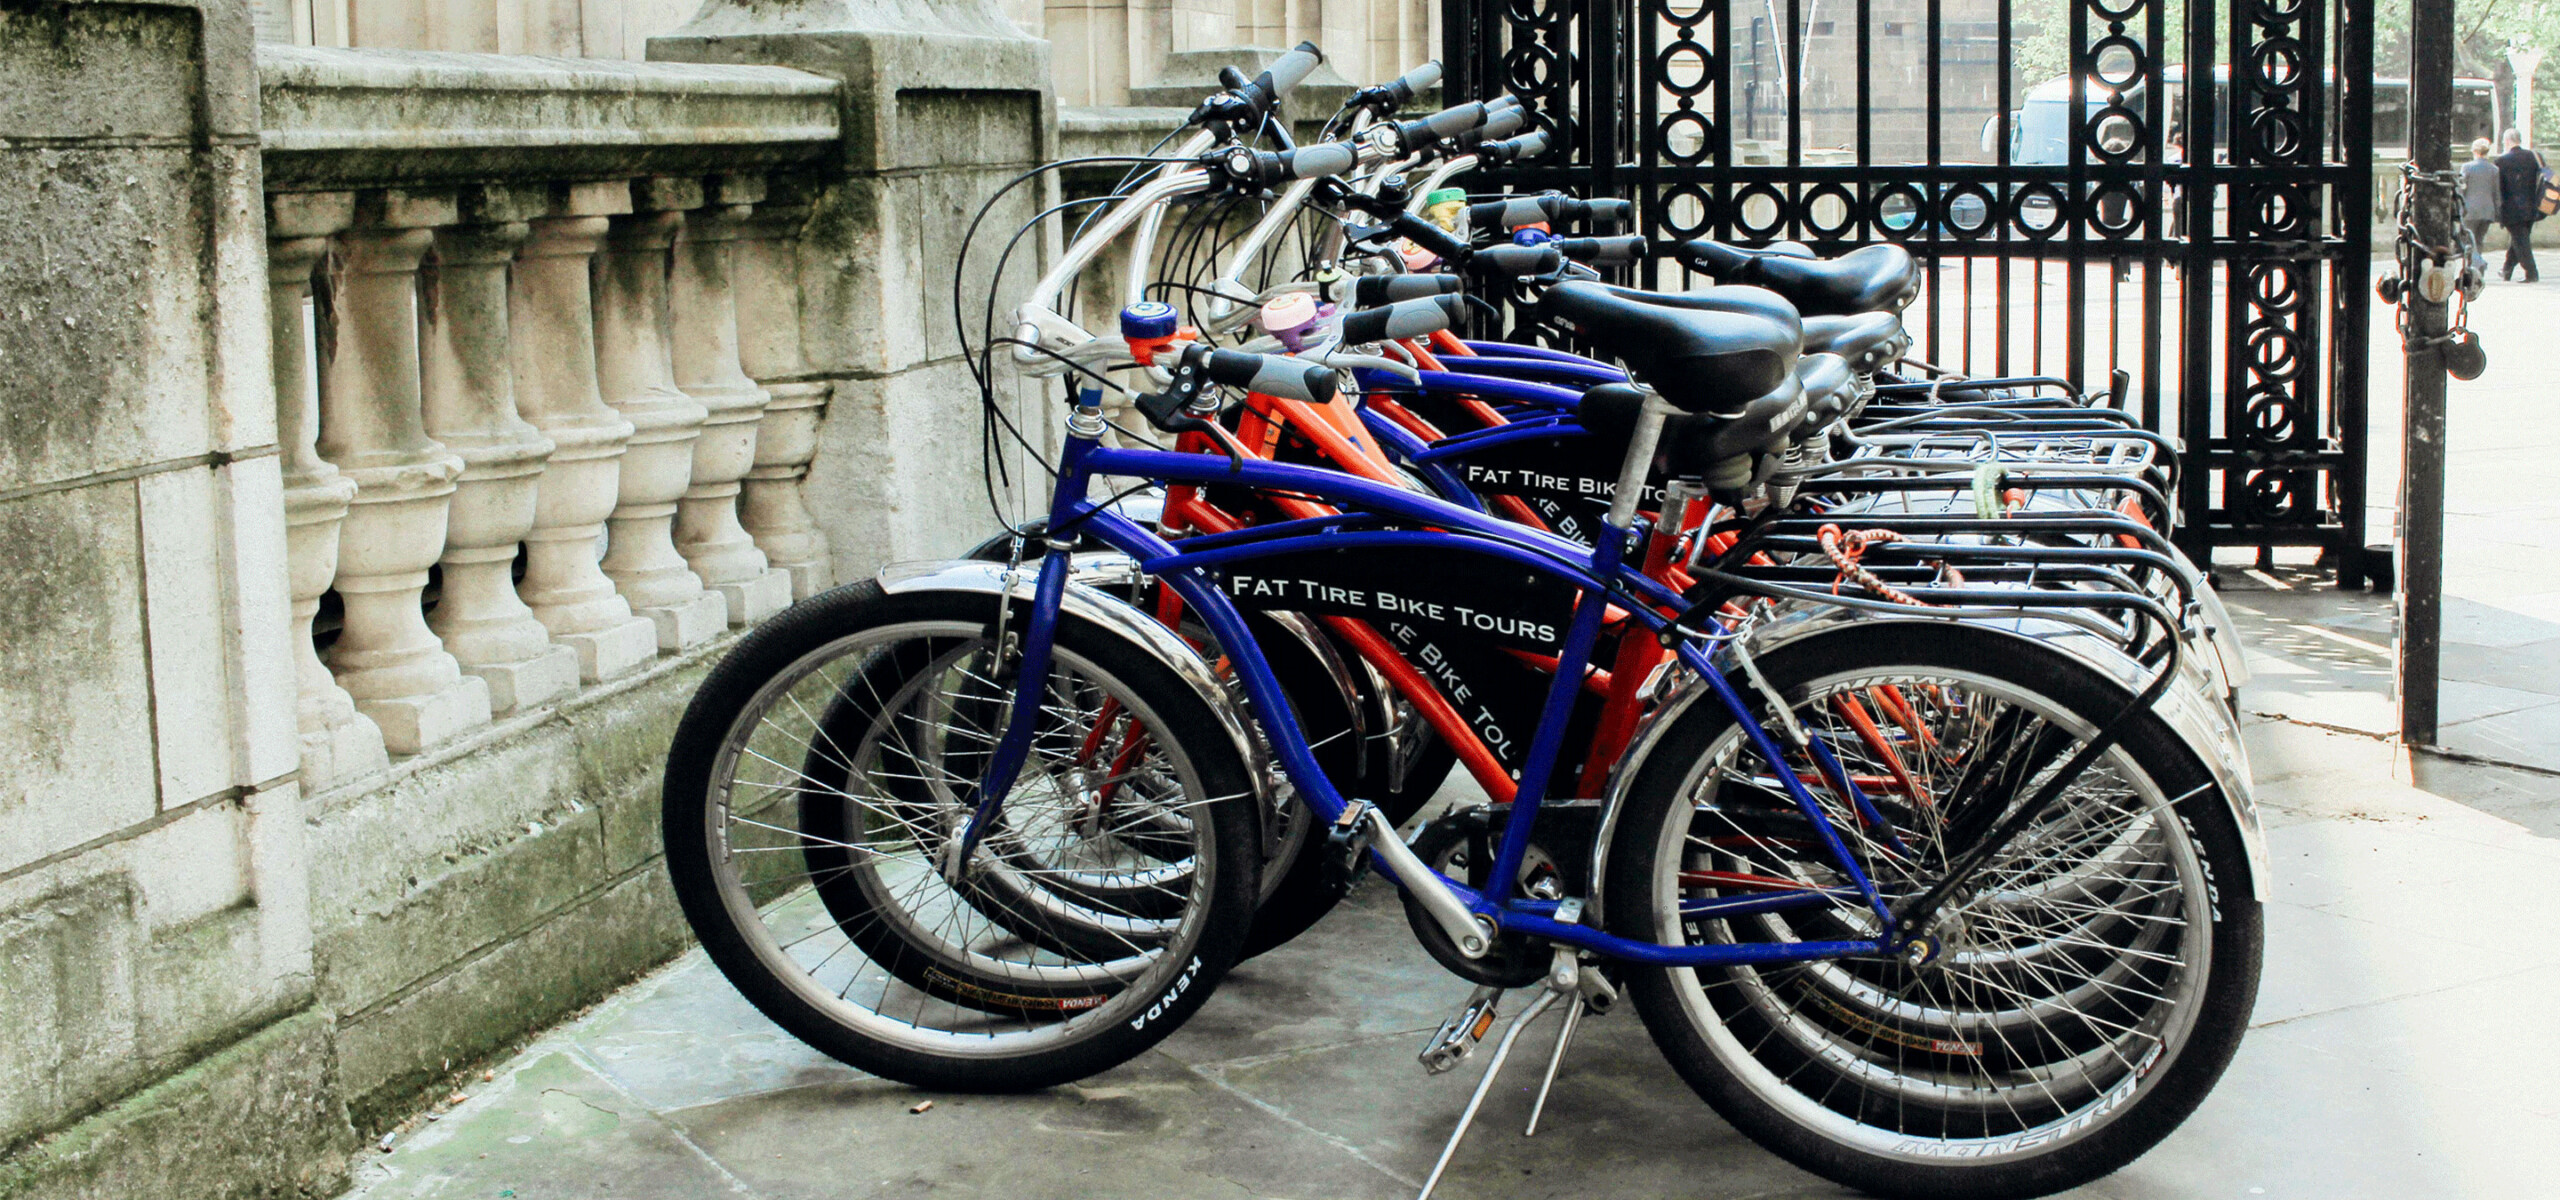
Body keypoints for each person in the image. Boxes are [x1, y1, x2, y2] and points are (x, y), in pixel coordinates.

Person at [2494, 128, 2546, 282]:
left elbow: (2498, 188)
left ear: (2507, 141)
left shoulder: (2501, 161)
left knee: (2520, 241)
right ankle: (2506, 270)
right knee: (2519, 239)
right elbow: (2549, 176)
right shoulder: (2535, 157)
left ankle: (2532, 273)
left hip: (2511, 208)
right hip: (2532, 206)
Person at [2461, 137, 2499, 275]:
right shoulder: (2494, 169)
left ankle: (2477, 263)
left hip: (2470, 210)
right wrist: (2497, 212)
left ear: (2474, 151)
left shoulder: (2467, 167)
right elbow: (2496, 193)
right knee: (2479, 240)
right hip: (2488, 210)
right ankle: (2476, 270)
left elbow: (2462, 188)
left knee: (2469, 241)